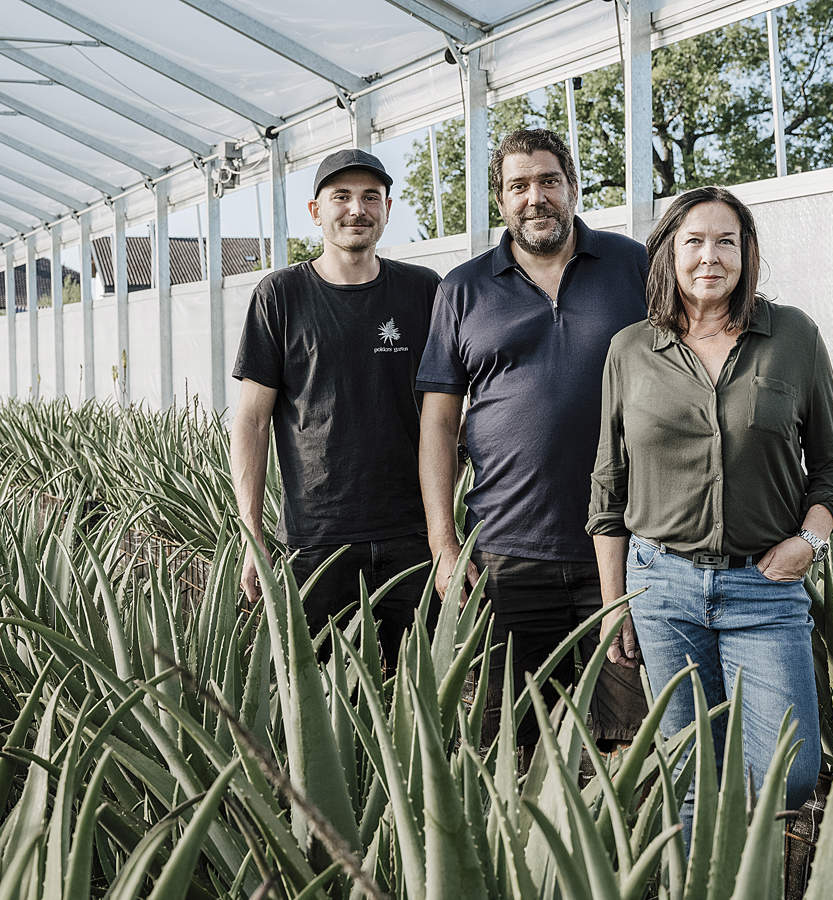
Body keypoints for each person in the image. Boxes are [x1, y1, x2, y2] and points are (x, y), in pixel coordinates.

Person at [587, 185, 833, 845]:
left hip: (764, 587)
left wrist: (809, 543)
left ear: (746, 252)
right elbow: (608, 485)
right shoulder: (630, 350)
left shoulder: (792, 335)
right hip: (661, 587)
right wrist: (614, 601)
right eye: (694, 241)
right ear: (669, 256)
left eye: (726, 241)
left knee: (788, 773)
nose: (711, 256)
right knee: (687, 771)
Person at [417, 128, 649, 750]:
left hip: (628, 551)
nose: (535, 197)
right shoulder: (462, 289)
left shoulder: (632, 266)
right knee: (503, 747)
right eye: (518, 186)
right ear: (500, 201)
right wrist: (444, 545)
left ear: (572, 187)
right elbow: (439, 422)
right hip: (505, 556)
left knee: (628, 744)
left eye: (548, 181)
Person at [231, 148, 441, 669]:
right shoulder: (281, 295)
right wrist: (251, 533)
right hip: (317, 538)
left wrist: (446, 534)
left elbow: (450, 408)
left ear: (388, 209)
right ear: (315, 210)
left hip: (411, 535)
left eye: (371, 197)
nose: (357, 209)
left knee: (416, 697)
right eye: (341, 197)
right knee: (318, 694)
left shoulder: (424, 291)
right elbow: (253, 421)